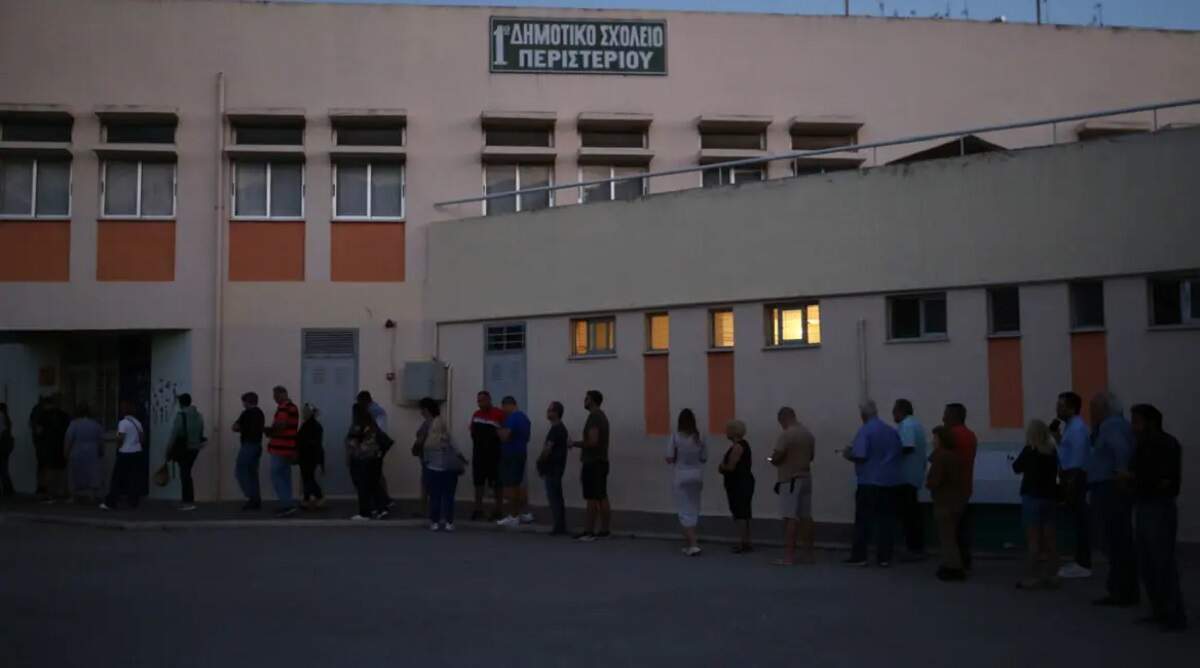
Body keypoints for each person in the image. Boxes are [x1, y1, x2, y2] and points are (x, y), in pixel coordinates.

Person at [1129, 404, 1187, 631]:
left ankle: (1173, 614)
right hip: (1145, 504)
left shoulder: (1166, 444)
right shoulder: (1142, 444)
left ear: (1150, 422)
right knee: (1147, 561)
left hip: (1159, 506)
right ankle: (1159, 609)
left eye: (1137, 422)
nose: (1133, 427)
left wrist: (1135, 479)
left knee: (1162, 560)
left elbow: (1165, 480)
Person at [1088, 391, 1138, 607]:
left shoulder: (1111, 426)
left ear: (1104, 409)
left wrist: (1121, 476)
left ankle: (1121, 590)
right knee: (1118, 538)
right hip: (1112, 487)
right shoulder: (1115, 425)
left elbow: (1121, 451)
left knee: (1114, 538)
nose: (1091, 414)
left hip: (1110, 488)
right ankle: (1123, 588)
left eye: (1093, 409)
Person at [843, 399, 903, 567]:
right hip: (890, 482)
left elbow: (861, 455)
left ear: (863, 415)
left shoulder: (865, 431)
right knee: (886, 521)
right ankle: (884, 557)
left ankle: (860, 556)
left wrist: (848, 454)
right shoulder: (890, 431)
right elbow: (899, 452)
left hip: (869, 481)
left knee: (864, 520)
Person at [1012, 419, 1061, 589]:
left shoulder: (1029, 451)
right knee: (1050, 540)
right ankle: (1052, 575)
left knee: (1033, 541)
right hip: (1050, 497)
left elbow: (1016, 467)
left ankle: (1032, 577)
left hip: (1032, 497)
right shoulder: (1052, 452)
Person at [1052, 391, 1092, 579]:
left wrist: (1069, 484)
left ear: (1072, 408)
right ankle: (1080, 561)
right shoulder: (1070, 427)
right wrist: (1058, 439)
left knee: (1081, 522)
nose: (1057, 409)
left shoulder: (1077, 429)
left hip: (1075, 478)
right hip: (1072, 477)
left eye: (1061, 406)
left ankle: (1083, 564)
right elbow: (1067, 452)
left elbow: (1076, 460)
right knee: (1078, 522)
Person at [770, 406, 815, 566]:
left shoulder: (787, 435)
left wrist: (771, 459)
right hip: (806, 477)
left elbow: (777, 456)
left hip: (790, 480)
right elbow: (811, 457)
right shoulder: (808, 434)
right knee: (806, 517)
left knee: (790, 517)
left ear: (783, 418)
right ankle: (808, 554)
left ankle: (788, 556)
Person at [925, 426, 967, 581]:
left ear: (941, 440)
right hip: (956, 501)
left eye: (935, 438)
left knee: (947, 538)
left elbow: (934, 480)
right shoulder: (954, 456)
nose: (933, 441)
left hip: (944, 502)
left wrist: (929, 482)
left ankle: (953, 567)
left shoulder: (941, 457)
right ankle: (952, 564)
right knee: (951, 536)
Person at [942, 402, 978, 573]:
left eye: (946, 415)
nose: (943, 418)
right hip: (965, 486)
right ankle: (964, 560)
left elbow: (943, 461)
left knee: (950, 531)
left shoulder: (951, 435)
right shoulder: (971, 435)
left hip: (950, 489)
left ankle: (953, 565)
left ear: (954, 416)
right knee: (961, 528)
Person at [666, 408, 707, 556]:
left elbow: (669, 458)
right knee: (694, 508)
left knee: (684, 510)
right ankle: (690, 543)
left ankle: (693, 544)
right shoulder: (700, 437)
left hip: (681, 474)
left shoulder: (675, 437)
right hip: (697, 474)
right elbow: (704, 458)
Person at [572, 390, 611, 542]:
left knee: (592, 497)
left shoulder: (594, 417)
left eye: (586, 398)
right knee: (601, 496)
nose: (584, 400)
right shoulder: (602, 416)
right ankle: (605, 530)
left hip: (593, 462)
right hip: (601, 461)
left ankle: (589, 531)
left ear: (593, 401)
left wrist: (574, 443)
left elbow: (593, 442)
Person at [893, 399, 928, 560]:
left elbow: (907, 446)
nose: (893, 414)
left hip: (906, 476)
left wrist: (889, 453)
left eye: (894, 411)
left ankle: (913, 549)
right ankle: (916, 548)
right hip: (914, 475)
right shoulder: (916, 424)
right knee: (912, 514)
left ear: (901, 411)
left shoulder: (906, 425)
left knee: (909, 515)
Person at [420, 397, 459, 531]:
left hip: (433, 466)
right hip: (449, 468)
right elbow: (455, 447)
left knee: (435, 496)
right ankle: (448, 522)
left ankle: (435, 521)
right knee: (448, 496)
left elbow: (426, 448)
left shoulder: (429, 430)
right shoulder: (446, 433)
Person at [101, 401, 146, 510]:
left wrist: (119, 446)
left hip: (125, 452)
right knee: (134, 478)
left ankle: (111, 502)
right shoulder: (137, 423)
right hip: (137, 452)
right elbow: (142, 439)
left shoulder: (123, 423)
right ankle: (133, 501)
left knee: (117, 478)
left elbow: (120, 438)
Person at [496, 396, 534, 527]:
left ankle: (513, 516)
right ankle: (523, 513)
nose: (503, 410)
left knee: (510, 486)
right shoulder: (525, 418)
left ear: (509, 405)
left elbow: (505, 437)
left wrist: (498, 429)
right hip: (520, 452)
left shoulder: (513, 418)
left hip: (511, 454)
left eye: (504, 407)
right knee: (518, 484)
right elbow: (527, 438)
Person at [718, 419, 754, 553]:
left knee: (740, 513)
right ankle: (747, 541)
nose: (725, 432)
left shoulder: (737, 447)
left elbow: (731, 466)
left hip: (738, 483)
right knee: (745, 512)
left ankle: (742, 542)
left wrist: (721, 467)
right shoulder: (744, 445)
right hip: (744, 481)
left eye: (728, 430)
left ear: (733, 431)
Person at [263, 386, 300, 518]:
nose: (275, 398)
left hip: (280, 448)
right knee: (285, 477)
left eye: (276, 395)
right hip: (289, 447)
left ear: (283, 394)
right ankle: (288, 503)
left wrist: (269, 431)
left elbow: (281, 425)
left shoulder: (284, 407)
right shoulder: (293, 407)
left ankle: (286, 505)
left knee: (277, 475)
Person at [346, 402, 385, 520]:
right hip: (374, 458)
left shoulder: (358, 425)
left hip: (362, 458)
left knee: (362, 486)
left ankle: (365, 513)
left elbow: (353, 443)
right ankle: (380, 509)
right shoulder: (372, 423)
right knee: (374, 484)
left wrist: (350, 455)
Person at [469, 391, 505, 521]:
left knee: (496, 483)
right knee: (478, 482)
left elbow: (504, 433)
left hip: (494, 455)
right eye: (478, 401)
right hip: (478, 454)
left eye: (482, 400)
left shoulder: (499, 414)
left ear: (489, 400)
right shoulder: (476, 415)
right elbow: (472, 432)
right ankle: (478, 509)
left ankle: (498, 510)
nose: (480, 403)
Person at [168, 393, 206, 511]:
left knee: (185, 475)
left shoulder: (181, 415)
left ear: (181, 403)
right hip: (195, 448)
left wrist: (168, 449)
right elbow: (201, 431)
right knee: (187, 473)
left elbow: (174, 434)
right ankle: (188, 500)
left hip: (184, 448)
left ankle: (188, 501)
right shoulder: (199, 415)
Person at [537, 401, 570, 536]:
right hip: (556, 468)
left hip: (553, 468)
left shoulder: (556, 429)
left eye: (550, 410)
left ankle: (559, 526)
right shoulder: (559, 428)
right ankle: (560, 525)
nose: (547, 412)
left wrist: (540, 462)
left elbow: (547, 449)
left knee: (554, 497)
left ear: (556, 413)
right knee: (557, 497)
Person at [357, 391, 393, 509]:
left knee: (374, 473)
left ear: (365, 400)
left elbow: (375, 430)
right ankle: (385, 499)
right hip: (379, 444)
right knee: (378, 473)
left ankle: (382, 500)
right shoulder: (377, 409)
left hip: (376, 445)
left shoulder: (373, 411)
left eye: (360, 402)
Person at [64, 403, 104, 504]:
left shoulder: (74, 424)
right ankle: (92, 496)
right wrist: (100, 451)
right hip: (92, 451)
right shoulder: (96, 424)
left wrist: (66, 452)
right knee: (92, 473)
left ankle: (73, 496)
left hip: (77, 450)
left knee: (74, 474)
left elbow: (68, 439)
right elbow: (100, 440)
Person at [231, 391, 265, 511]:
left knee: (240, 471)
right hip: (257, 445)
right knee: (252, 473)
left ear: (247, 402)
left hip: (248, 445)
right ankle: (255, 500)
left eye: (244, 401)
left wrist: (240, 427)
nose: (243, 404)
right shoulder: (260, 413)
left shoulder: (246, 413)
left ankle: (251, 496)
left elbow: (235, 427)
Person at [32, 395, 69, 502]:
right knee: (60, 469)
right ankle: (60, 491)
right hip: (60, 445)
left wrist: (37, 441)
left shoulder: (42, 415)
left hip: (46, 445)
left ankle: (47, 492)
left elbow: (38, 431)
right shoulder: (63, 415)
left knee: (46, 469)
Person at [297, 403, 325, 511]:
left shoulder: (312, 426)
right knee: (307, 478)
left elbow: (312, 442)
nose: (303, 413)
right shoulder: (309, 425)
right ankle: (307, 499)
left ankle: (317, 496)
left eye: (305, 412)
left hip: (309, 456)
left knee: (308, 478)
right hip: (308, 455)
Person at [0, 402, 14, 497]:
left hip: (2, 446)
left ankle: (8, 489)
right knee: (4, 468)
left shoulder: (1, 417)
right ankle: (8, 489)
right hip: (5, 447)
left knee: (3, 469)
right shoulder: (6, 418)